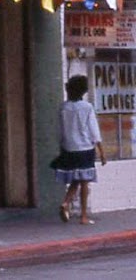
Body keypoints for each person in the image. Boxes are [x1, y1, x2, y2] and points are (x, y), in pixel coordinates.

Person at [55, 74, 106, 224]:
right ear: (83, 90)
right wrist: (102, 152)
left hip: (68, 148)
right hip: (85, 148)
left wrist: (62, 146)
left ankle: (65, 203)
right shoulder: (87, 107)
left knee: (76, 179)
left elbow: (59, 130)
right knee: (84, 182)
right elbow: (94, 131)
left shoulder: (63, 107)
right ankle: (84, 216)